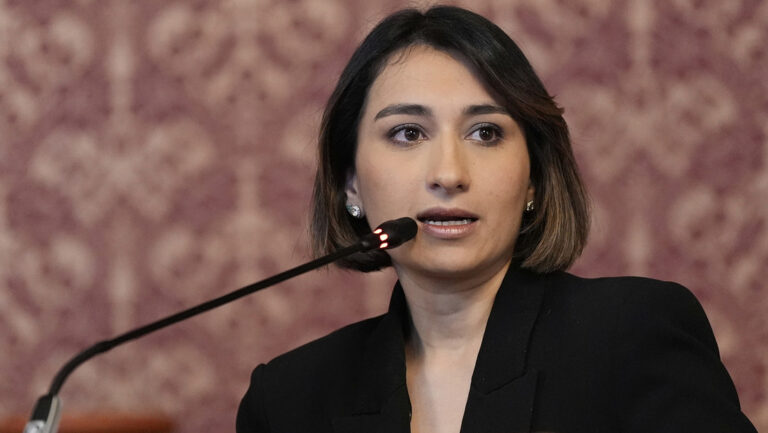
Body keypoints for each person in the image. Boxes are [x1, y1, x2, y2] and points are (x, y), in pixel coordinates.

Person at [237, 6, 757, 433]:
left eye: (485, 133)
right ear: (350, 182)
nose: (448, 174)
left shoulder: (633, 336)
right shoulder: (287, 400)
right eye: (408, 133)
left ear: (532, 178)